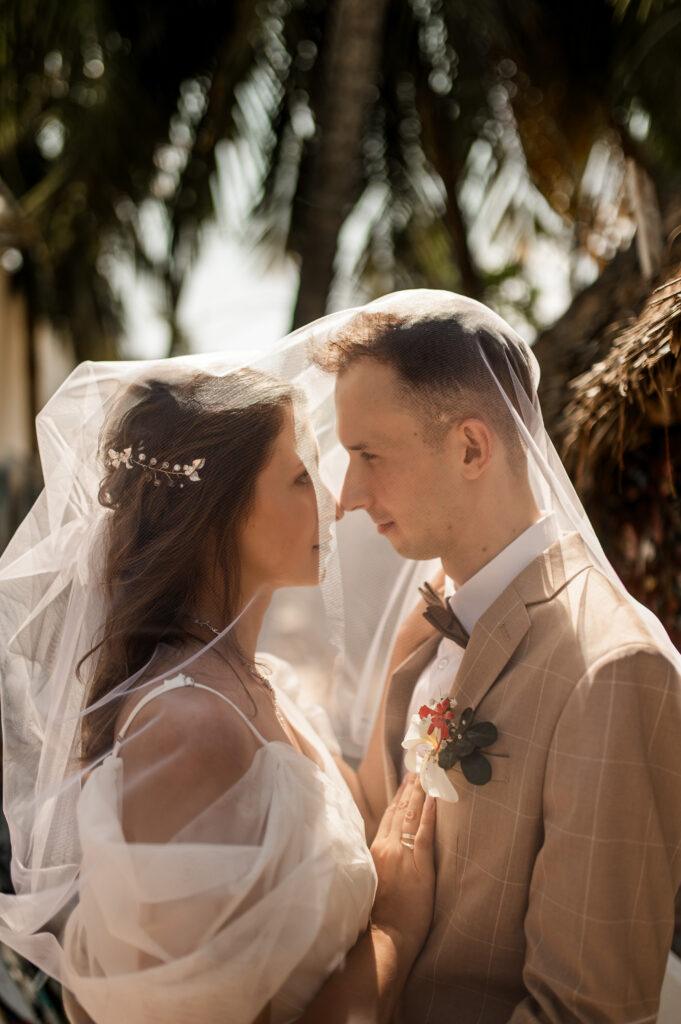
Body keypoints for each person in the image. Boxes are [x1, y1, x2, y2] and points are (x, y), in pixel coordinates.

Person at [0, 359, 435, 1024]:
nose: (335, 499)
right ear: (217, 514)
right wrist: (395, 931)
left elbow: (360, 814)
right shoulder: (189, 731)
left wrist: (411, 648)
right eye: (300, 477)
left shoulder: (262, 685)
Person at [311, 289, 681, 1023]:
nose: (345, 495)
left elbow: (585, 1012)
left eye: (368, 455)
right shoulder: (426, 621)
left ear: (471, 448)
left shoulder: (612, 670)